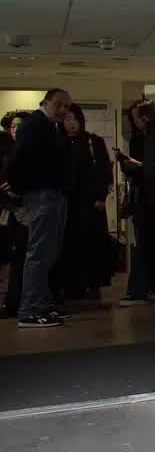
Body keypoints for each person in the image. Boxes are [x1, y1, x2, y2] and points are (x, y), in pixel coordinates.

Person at [3, 89, 72, 328]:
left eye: (66, 107)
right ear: (47, 103)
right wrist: (15, 185)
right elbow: (19, 158)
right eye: (59, 105)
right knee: (39, 253)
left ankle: (40, 305)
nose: (63, 110)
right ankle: (30, 310)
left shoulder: (49, 126)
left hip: (51, 194)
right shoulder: (35, 125)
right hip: (42, 195)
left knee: (47, 253)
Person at [55, 104, 113, 302]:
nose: (70, 124)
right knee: (68, 245)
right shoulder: (58, 142)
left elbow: (104, 170)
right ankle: (70, 285)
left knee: (91, 243)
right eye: (66, 119)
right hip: (66, 202)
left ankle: (92, 284)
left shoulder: (92, 141)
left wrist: (100, 197)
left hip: (89, 202)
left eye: (74, 119)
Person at [117, 99, 155, 308]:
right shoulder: (148, 138)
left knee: (145, 244)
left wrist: (137, 167)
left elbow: (154, 170)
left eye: (135, 118)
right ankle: (153, 287)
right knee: (149, 244)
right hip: (149, 198)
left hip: (149, 200)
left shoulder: (153, 139)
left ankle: (142, 289)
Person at [0, 111, 30, 319]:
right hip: (10, 210)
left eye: (20, 126)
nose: (16, 130)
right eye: (13, 126)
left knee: (20, 259)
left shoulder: (31, 152)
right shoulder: (6, 151)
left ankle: (17, 302)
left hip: (26, 211)